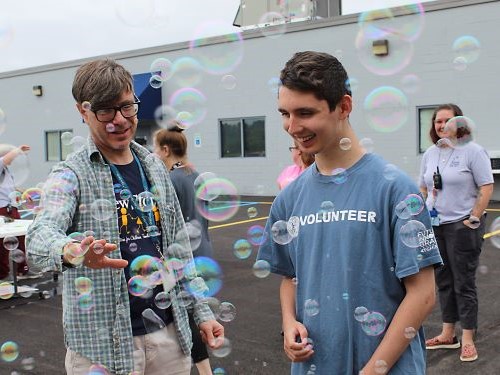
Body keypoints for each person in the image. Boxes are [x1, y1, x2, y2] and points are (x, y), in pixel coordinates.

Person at [26, 59, 223, 375]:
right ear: (83, 111)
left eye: (127, 107)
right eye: (105, 111)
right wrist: (72, 252)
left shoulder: (155, 167)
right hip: (102, 348)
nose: (119, 120)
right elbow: (39, 234)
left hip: (169, 336)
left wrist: (202, 312)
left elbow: (179, 249)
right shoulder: (71, 174)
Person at [257, 51, 443, 374]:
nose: (292, 126)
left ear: (344, 106)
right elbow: (290, 276)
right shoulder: (289, 199)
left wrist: (374, 369)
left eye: (305, 112)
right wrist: (289, 323)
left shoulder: (394, 188)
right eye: (285, 113)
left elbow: (423, 293)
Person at [419, 103, 493, 362]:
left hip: (463, 226)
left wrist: (473, 217)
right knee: (444, 281)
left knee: (464, 282)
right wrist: (425, 212)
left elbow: (486, 186)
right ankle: (448, 333)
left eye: (447, 120)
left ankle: (468, 337)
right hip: (436, 226)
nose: (442, 125)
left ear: (459, 124)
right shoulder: (430, 153)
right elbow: (425, 188)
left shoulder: (473, 151)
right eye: (438, 121)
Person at [154, 123, 214, 375]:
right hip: (204, 252)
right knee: (195, 316)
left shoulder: (170, 180)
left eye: (156, 149)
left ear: (166, 150)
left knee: (185, 318)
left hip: (180, 257)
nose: (155, 154)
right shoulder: (196, 175)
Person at [0, 144, 42, 281]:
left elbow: (10, 187)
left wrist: (23, 192)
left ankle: (22, 270)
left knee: (21, 239)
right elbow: (5, 159)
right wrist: (17, 150)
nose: (11, 160)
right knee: (3, 244)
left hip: (11, 208)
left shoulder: (5, 170)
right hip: (2, 210)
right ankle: (3, 275)